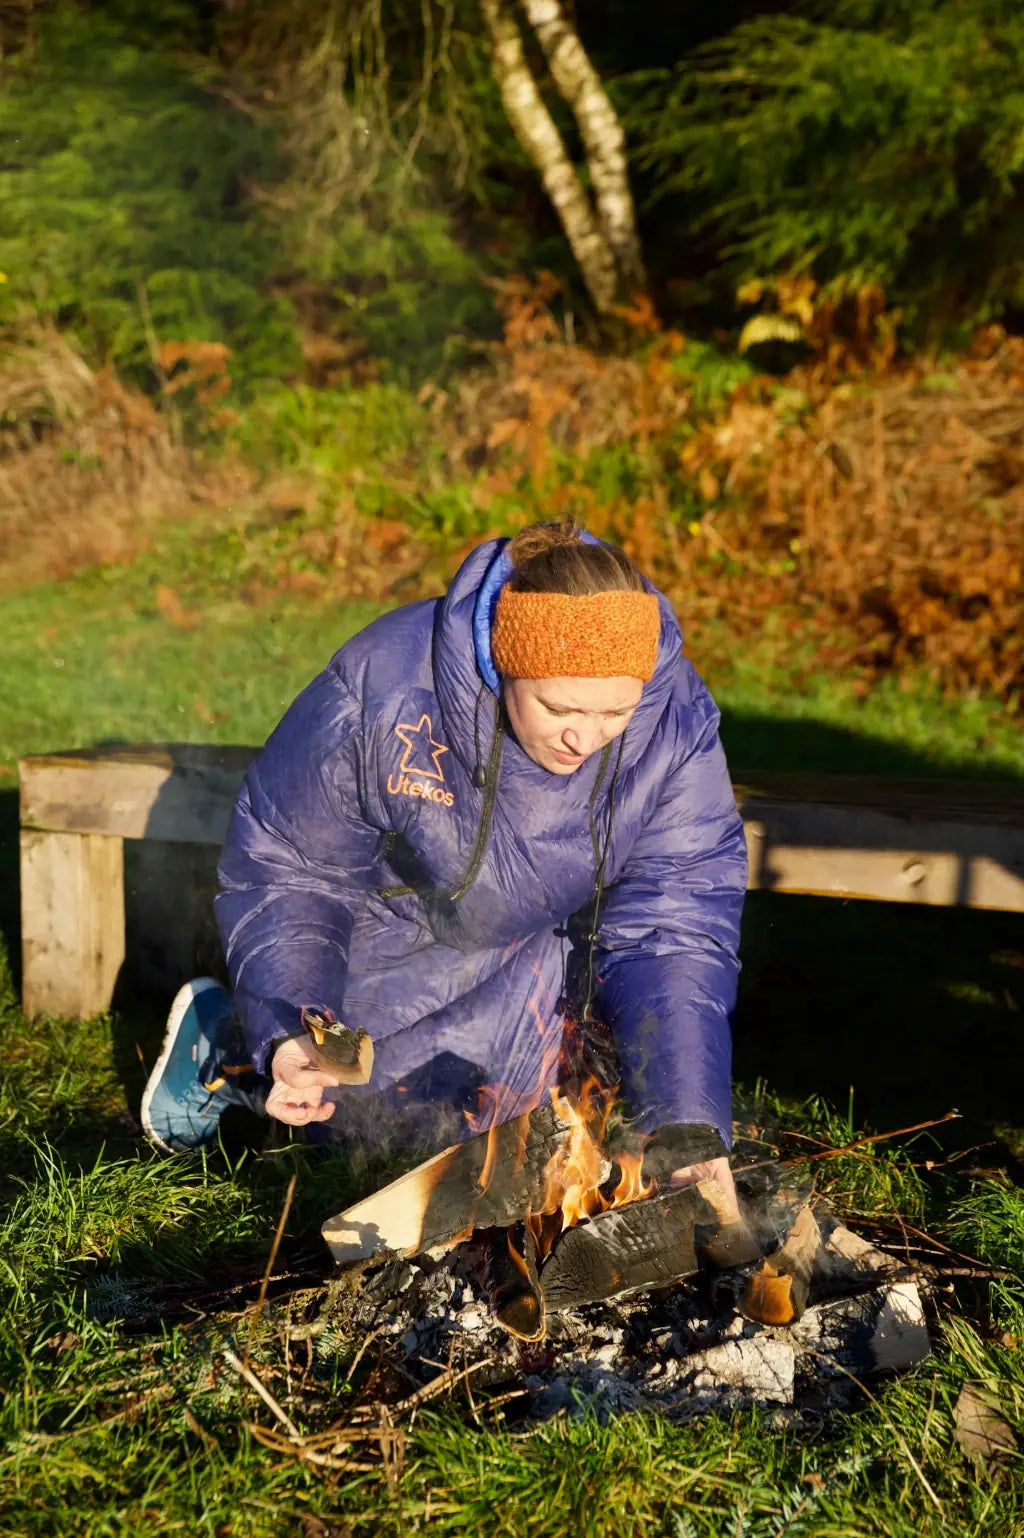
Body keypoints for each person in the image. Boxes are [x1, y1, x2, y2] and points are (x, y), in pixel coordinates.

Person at [141, 520, 747, 1199]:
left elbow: (677, 919)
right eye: (558, 706)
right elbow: (292, 865)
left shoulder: (673, 721)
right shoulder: (389, 684)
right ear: (503, 658)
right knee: (365, 1120)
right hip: (395, 943)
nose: (585, 736)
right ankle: (232, 1045)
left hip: (543, 951)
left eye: (614, 713)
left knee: (519, 1157)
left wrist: (685, 1125)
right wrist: (294, 1016)